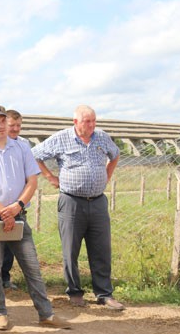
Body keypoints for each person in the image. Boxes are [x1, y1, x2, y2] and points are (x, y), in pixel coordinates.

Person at [0, 105, 70, 331]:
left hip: (18, 216)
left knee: (31, 265)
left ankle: (46, 314)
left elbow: (32, 181)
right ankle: (0, 313)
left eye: (4, 120)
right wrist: (3, 210)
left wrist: (17, 206)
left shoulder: (22, 148)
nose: (2, 125)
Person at [32, 105, 124, 310]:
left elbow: (115, 154)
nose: (91, 125)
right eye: (86, 121)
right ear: (75, 122)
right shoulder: (61, 138)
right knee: (70, 248)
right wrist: (49, 176)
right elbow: (35, 154)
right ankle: (74, 292)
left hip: (98, 201)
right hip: (71, 202)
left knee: (101, 248)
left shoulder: (102, 137)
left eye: (93, 121)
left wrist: (107, 175)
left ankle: (104, 294)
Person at [1, 109, 28, 290]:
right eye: (12, 125)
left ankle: (5, 278)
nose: (15, 129)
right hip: (0, 207)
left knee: (11, 245)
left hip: (19, 205)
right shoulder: (0, 143)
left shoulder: (25, 144)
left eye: (18, 125)